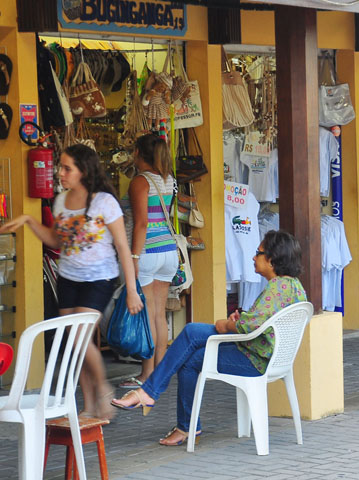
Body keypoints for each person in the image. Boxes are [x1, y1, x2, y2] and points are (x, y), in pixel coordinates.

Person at [111, 230, 307, 446]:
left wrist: (226, 325)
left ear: (272, 260)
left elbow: (249, 326)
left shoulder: (277, 287)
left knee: (191, 334)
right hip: (270, 357)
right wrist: (240, 320)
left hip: (254, 360)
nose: (253, 257)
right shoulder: (294, 286)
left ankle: (153, 396)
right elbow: (261, 321)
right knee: (191, 352)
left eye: (258, 253)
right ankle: (180, 421)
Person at [0, 144, 143, 419]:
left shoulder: (104, 201)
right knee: (76, 345)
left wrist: (132, 291)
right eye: (60, 167)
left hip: (99, 279)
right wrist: (30, 220)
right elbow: (57, 241)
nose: (60, 173)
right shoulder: (61, 201)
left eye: (67, 168)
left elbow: (123, 248)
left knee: (78, 338)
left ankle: (103, 390)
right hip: (68, 279)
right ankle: (90, 406)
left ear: (84, 170)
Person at [118, 134, 179, 388]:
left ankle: (146, 375)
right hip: (168, 251)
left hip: (148, 252)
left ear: (137, 153)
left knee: (148, 315)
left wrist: (133, 256)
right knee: (159, 315)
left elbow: (141, 223)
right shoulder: (169, 180)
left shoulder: (140, 182)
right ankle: (159, 374)